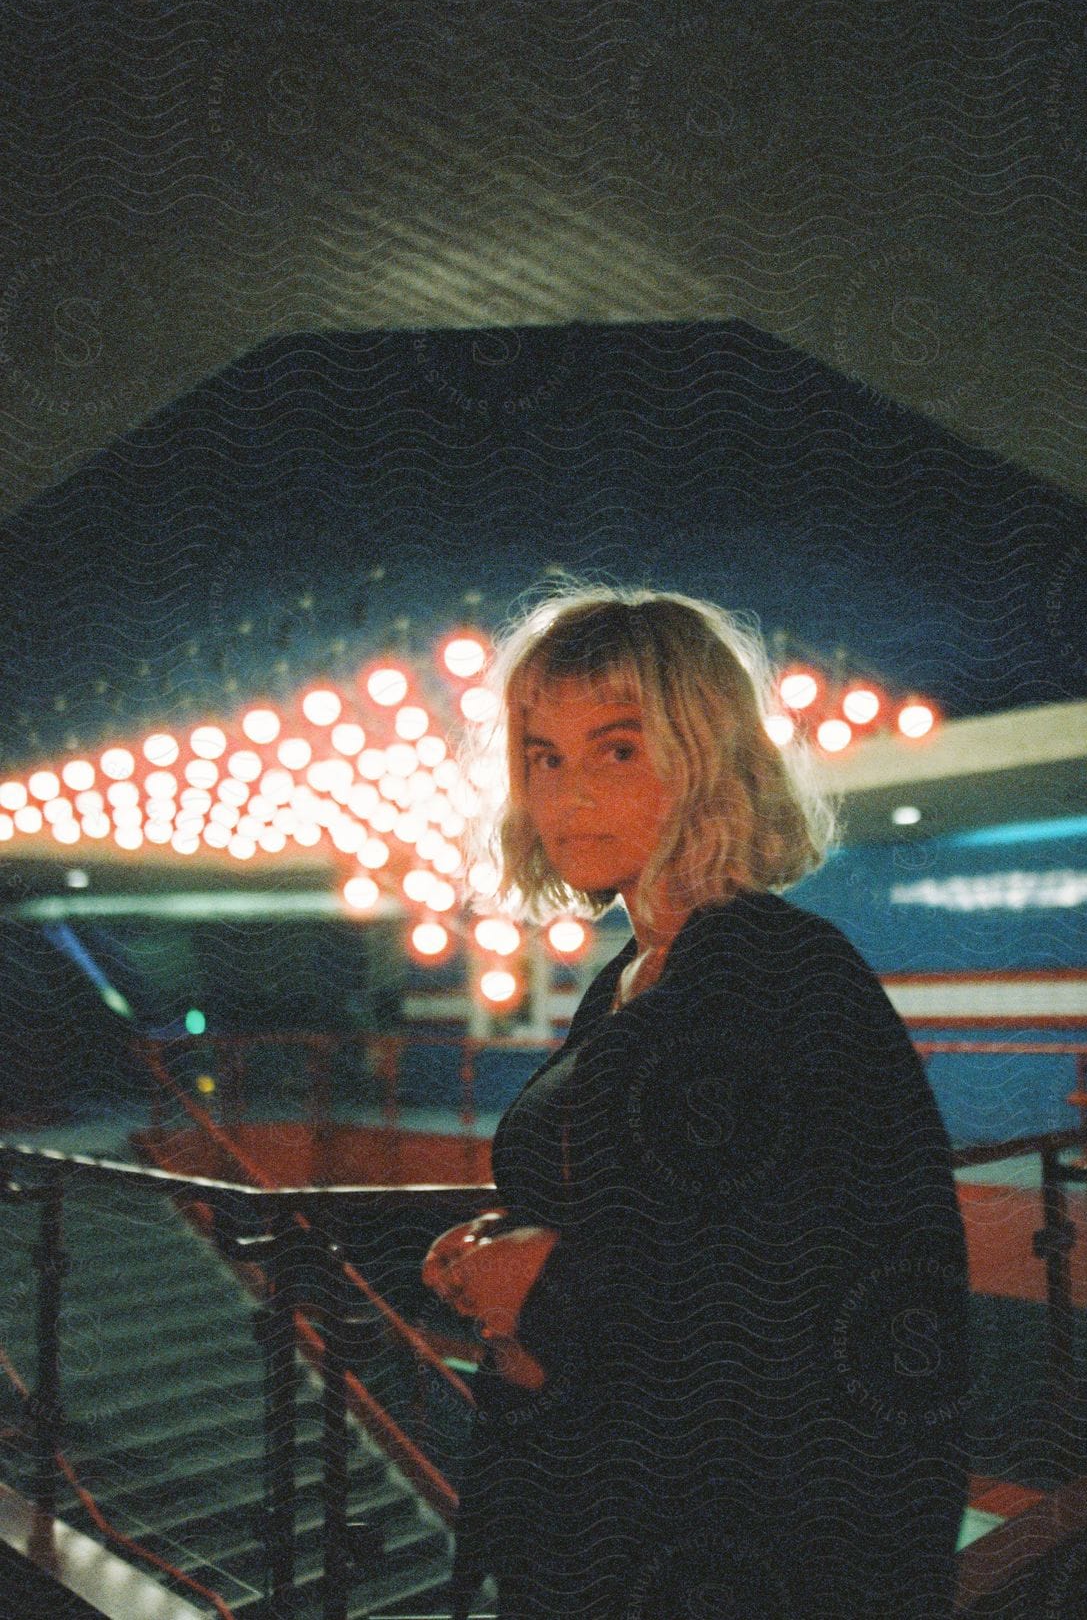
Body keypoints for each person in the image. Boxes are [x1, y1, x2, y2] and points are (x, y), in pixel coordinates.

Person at [421, 584, 971, 1620]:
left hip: (723, 1545)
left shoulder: (781, 969)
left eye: (617, 749)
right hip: (594, 1500)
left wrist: (545, 1284)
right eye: (544, 755)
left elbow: (836, 1279)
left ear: (707, 758)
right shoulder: (628, 976)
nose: (569, 793)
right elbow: (661, 1210)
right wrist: (508, 1242)